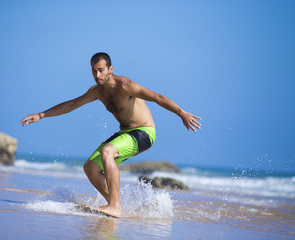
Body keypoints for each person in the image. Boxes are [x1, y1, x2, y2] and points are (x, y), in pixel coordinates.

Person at [21, 52, 201, 217]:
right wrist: (41, 115)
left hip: (144, 132)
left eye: (101, 70)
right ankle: (116, 206)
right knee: (90, 167)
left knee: (108, 151)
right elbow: (72, 104)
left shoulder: (126, 85)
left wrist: (182, 113)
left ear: (110, 69)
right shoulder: (97, 92)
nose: (97, 75)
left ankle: (114, 206)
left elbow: (158, 97)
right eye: (93, 71)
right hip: (125, 133)